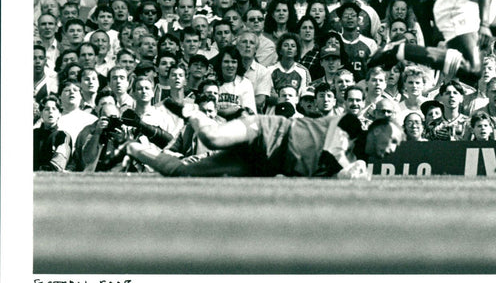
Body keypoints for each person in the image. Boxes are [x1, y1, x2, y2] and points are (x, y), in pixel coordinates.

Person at [126, 109, 401, 178]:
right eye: (394, 139)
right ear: (377, 131)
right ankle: (194, 114)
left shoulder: (354, 166)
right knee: (212, 137)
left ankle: (133, 148)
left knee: (181, 172)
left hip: (264, 162)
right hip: (270, 130)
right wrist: (347, 175)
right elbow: (331, 152)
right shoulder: (351, 123)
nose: (393, 148)